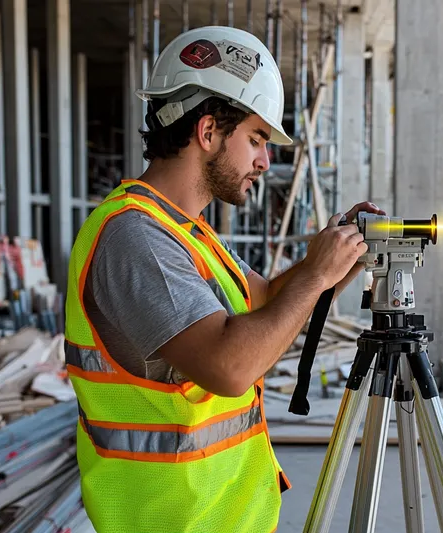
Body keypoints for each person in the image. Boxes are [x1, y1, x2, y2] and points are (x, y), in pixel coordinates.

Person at [63, 26, 382, 533]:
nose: (264, 159)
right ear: (208, 132)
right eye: (256, 138)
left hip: (218, 517)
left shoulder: (187, 234)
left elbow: (268, 302)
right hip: (173, 520)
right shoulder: (135, 237)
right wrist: (317, 272)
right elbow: (231, 366)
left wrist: (343, 255)